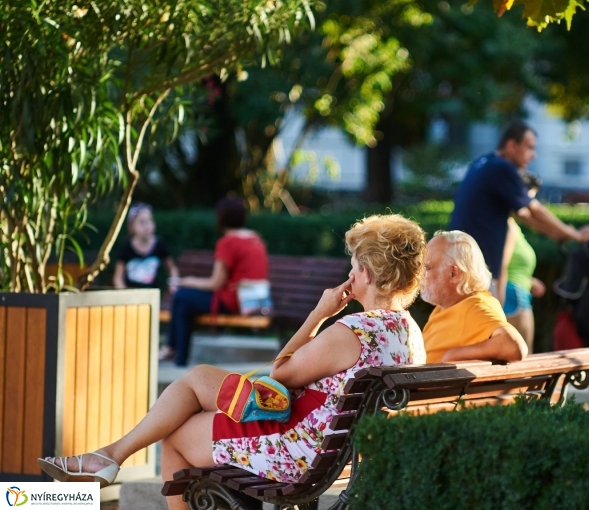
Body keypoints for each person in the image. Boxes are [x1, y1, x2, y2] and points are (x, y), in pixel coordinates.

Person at [38, 214, 428, 509]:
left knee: (175, 437)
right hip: (339, 452)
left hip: (298, 450)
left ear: (368, 274)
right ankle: (108, 456)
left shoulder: (354, 331)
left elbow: (282, 371)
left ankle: (107, 458)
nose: (350, 274)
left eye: (354, 267)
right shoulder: (410, 333)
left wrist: (319, 313)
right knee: (198, 379)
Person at [449, 120, 589, 290]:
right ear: (512, 145)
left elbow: (524, 215)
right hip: (478, 270)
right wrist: (575, 234)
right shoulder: (502, 168)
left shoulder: (482, 162)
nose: (534, 155)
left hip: (459, 264)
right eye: (530, 147)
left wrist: (561, 234)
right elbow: (535, 210)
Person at [160, 196, 269, 366]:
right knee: (183, 304)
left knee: (181, 296)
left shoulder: (228, 242)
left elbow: (216, 283)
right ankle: (175, 355)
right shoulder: (255, 238)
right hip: (253, 299)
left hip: (234, 301)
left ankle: (174, 354)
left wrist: (189, 281)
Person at [421, 230, 528, 363]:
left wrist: (454, 355)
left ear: (454, 273)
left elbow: (513, 346)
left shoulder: (475, 307)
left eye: (427, 267)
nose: (420, 274)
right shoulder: (448, 306)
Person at [498, 171, 547, 353]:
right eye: (528, 198)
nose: (528, 205)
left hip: (515, 290)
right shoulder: (507, 226)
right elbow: (500, 265)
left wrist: (528, 280)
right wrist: (498, 302)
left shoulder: (509, 224)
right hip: (513, 295)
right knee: (524, 357)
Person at [113, 203, 179, 290]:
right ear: (131, 226)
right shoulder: (126, 247)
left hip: (153, 294)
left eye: (149, 221)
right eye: (142, 222)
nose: (147, 226)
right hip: (132, 294)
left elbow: (171, 267)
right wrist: (124, 293)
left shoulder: (159, 244)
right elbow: (118, 277)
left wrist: (173, 283)